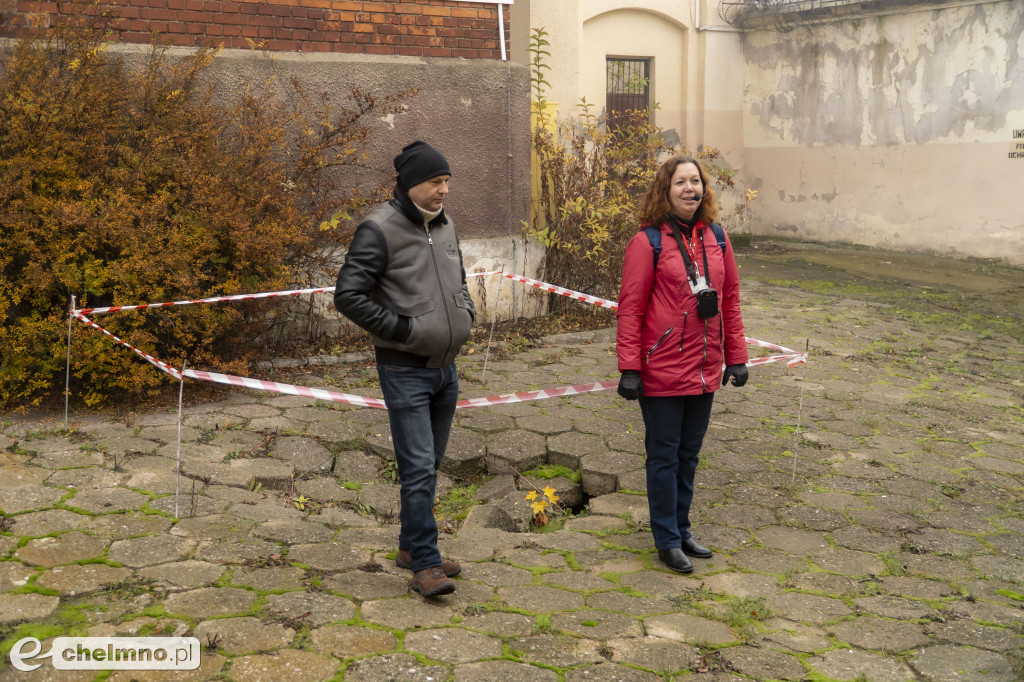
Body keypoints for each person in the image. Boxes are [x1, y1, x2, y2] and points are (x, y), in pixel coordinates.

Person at [334, 140, 474, 597]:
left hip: (445, 368)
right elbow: (348, 295)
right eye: (436, 181)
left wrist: (465, 312)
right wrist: (402, 329)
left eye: (447, 181)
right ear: (412, 183)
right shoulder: (379, 228)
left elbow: (459, 279)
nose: (444, 190)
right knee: (417, 469)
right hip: (404, 369)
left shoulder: (446, 225)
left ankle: (411, 548)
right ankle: (426, 567)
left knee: (429, 465)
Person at [615, 155, 749, 574]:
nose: (690, 189)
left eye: (696, 181)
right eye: (680, 183)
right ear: (665, 190)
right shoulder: (647, 242)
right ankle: (666, 539)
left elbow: (729, 300)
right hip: (662, 369)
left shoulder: (718, 238)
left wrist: (738, 357)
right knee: (664, 456)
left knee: (689, 455)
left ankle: (683, 527)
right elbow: (630, 309)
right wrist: (630, 367)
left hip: (706, 367)